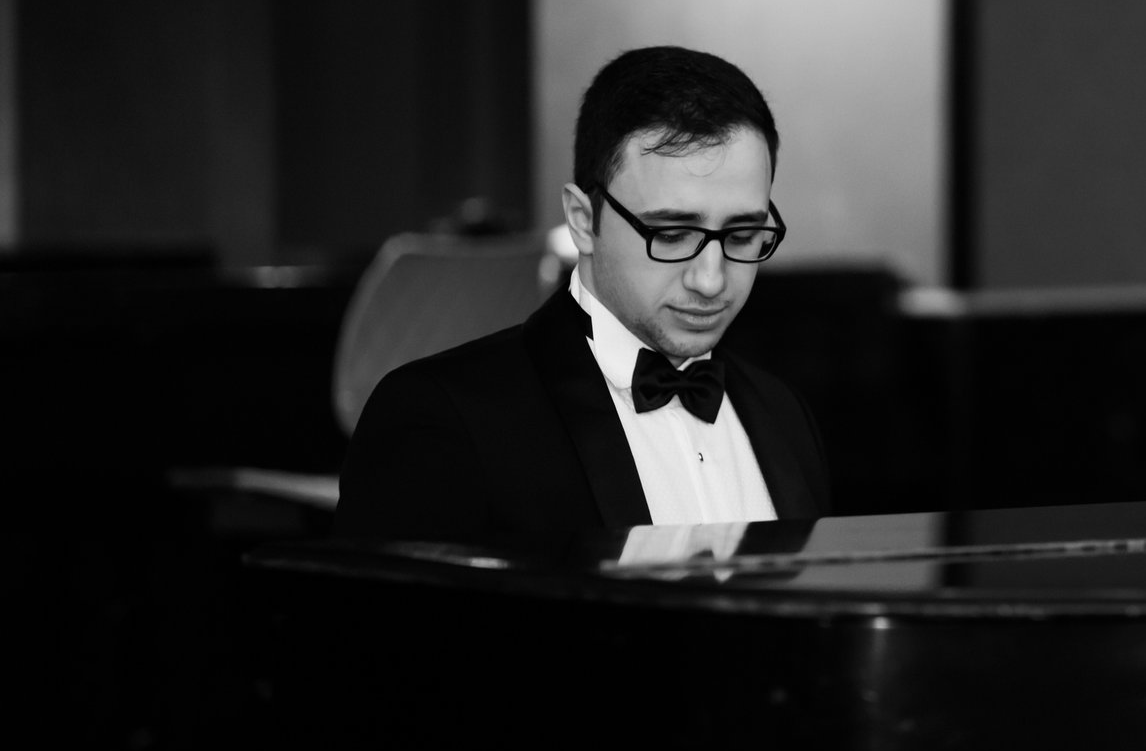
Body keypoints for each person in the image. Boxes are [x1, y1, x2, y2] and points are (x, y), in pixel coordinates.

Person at [337, 46, 833, 543]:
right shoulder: (441, 418)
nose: (711, 280)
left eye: (742, 236)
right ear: (582, 220)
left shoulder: (783, 413)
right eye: (671, 233)